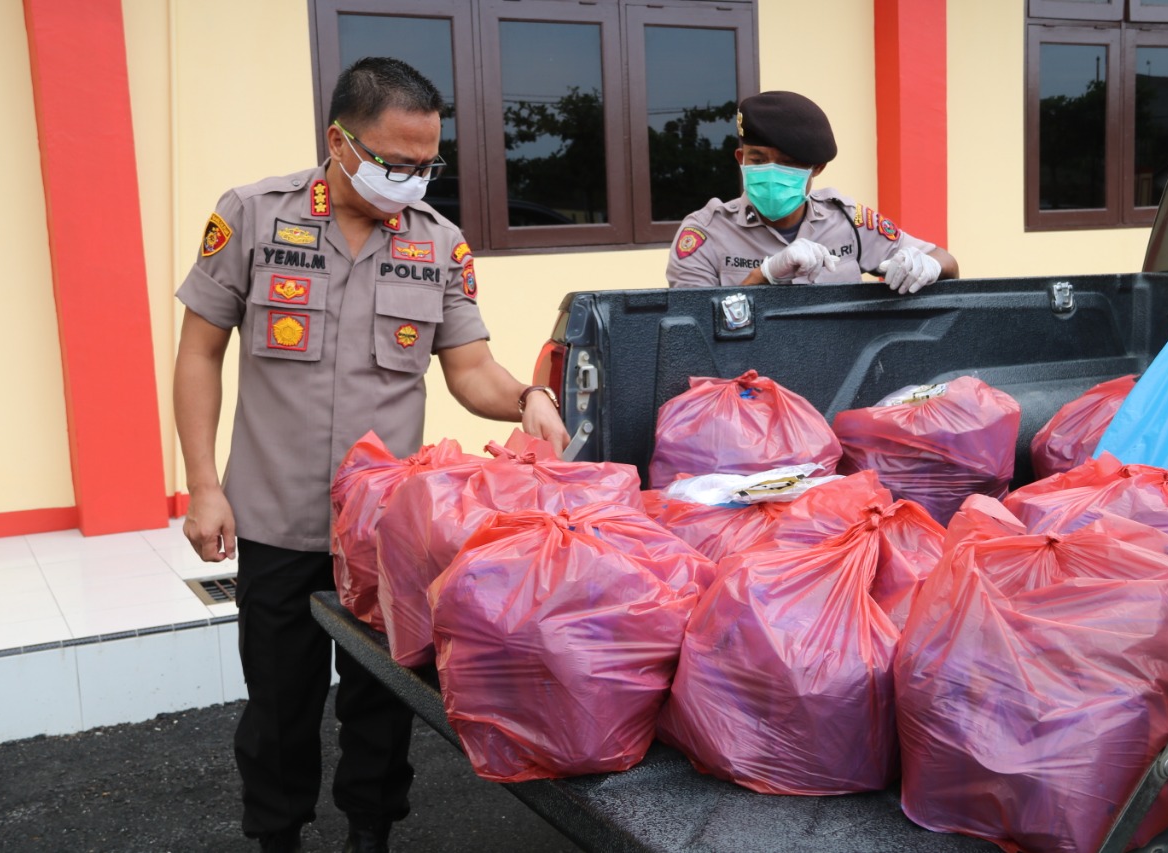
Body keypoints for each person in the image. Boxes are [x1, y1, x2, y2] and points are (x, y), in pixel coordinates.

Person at [172, 56, 569, 853]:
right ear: (340, 142)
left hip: (385, 529)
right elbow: (198, 354)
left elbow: (470, 371)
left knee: (381, 699)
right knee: (278, 702)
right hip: (277, 517)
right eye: (396, 162)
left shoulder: (439, 244)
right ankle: (277, 835)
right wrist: (203, 485)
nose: (413, 179)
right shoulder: (251, 215)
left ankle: (369, 833)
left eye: (427, 164)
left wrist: (529, 396)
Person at [666, 90, 958, 293]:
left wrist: (928, 265)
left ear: (816, 168)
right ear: (741, 160)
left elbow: (946, 261)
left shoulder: (847, 222)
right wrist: (763, 277)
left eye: (788, 163)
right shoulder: (706, 234)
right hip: (747, 380)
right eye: (757, 159)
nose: (770, 170)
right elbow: (695, 333)